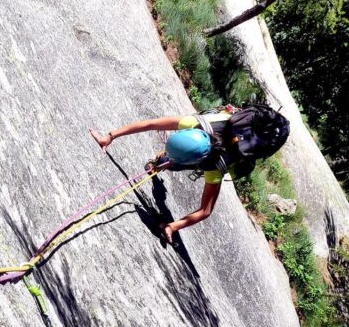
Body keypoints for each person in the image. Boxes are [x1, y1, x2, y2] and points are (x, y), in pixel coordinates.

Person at [88, 104, 289, 243]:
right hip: (226, 131)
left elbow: (205, 211)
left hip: (228, 143)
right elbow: (150, 124)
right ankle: (163, 161)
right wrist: (110, 136)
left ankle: (164, 161)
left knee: (170, 163)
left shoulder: (215, 167)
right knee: (168, 162)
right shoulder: (192, 123)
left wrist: (173, 226)